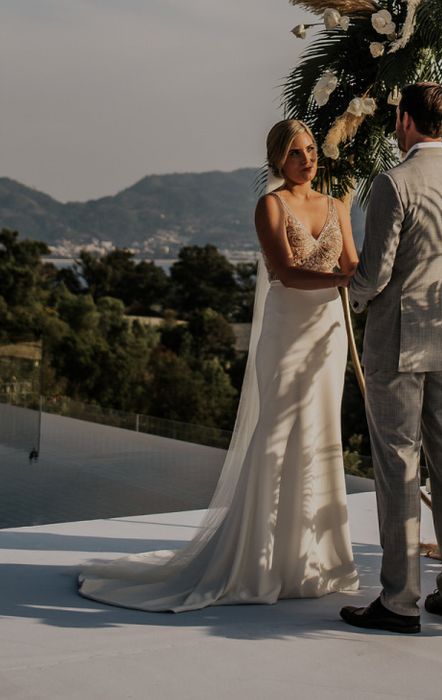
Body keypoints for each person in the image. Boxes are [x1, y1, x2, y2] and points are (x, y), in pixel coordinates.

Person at [77, 119, 360, 611]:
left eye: (311, 149)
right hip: (288, 330)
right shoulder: (270, 206)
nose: (307, 159)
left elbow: (353, 266)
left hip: (328, 335)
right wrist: (342, 280)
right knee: (277, 435)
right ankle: (256, 561)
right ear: (278, 160)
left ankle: (313, 560)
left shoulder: (338, 205)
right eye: (296, 153)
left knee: (320, 434)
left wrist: (365, 275)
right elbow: (288, 274)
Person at [340, 83, 442, 634]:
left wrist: (347, 294)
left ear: (405, 120)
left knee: (398, 467)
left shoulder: (392, 182)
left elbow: (375, 273)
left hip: (397, 343)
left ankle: (400, 600)